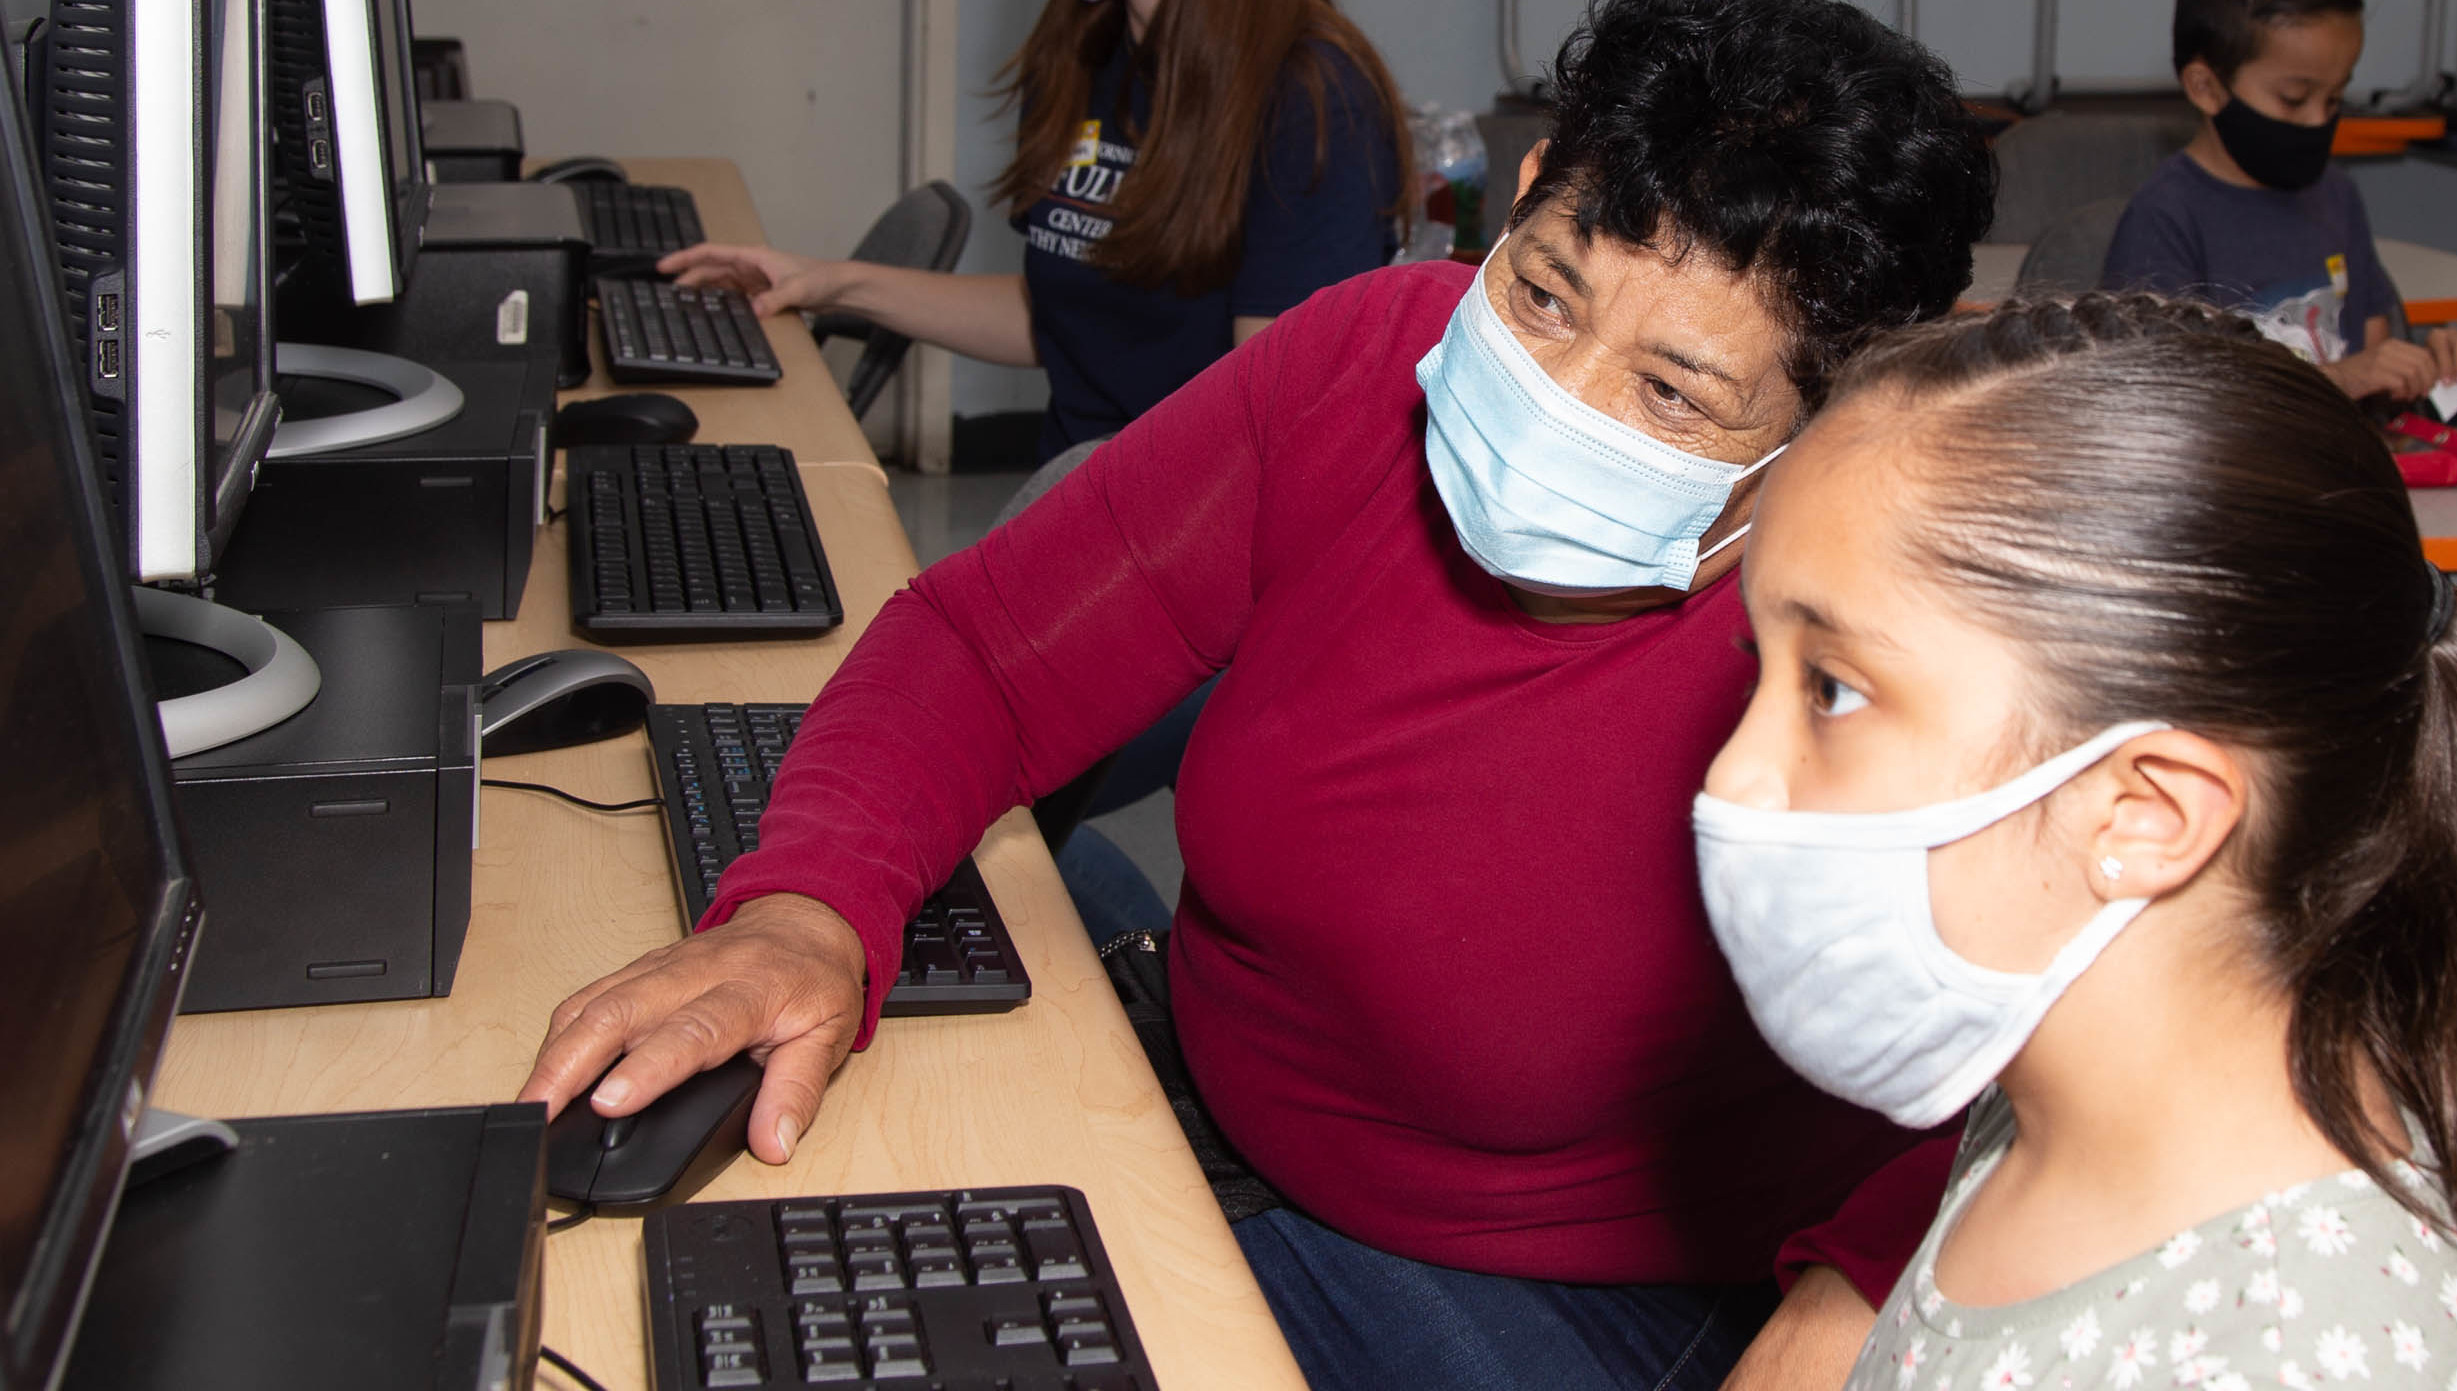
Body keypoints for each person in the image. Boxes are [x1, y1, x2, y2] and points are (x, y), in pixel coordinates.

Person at [519, 1, 1998, 1386]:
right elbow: (986, 646)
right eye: (1543, 294)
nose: (1560, 395)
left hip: (1530, 1285)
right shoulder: (1373, 357)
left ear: (1836, 421)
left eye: (1673, 393)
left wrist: (1857, 1291)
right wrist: (807, 908)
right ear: (1526, 187)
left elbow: (2124, 1046)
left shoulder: (1897, 633)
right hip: (1217, 1100)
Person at [1695, 292, 2457, 1381]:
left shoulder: (2296, 1348)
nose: (1735, 773)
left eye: (1832, 689)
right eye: (1758, 668)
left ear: (2145, 810)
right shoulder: (2046, 1085)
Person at [661, 0, 1407, 464]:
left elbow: (1278, 418)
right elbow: (1061, 314)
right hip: (1075, 496)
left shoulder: (1313, 96)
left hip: (1199, 550)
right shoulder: (1086, 44)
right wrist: (828, 283)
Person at [2100, 0, 2457, 400]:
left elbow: (2372, 351)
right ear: (2206, 87)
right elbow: (2166, 398)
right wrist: (2341, 379)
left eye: (2335, 98)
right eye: (2293, 98)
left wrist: (2427, 368)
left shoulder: (2337, 193)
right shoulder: (2163, 219)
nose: (2319, 121)